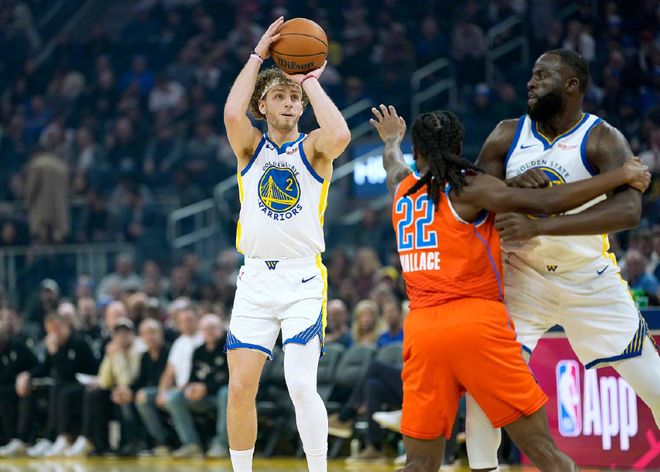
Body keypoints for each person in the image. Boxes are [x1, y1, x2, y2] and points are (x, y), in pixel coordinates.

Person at [369, 103, 649, 472]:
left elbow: (392, 163)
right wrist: (618, 176)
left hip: (422, 331)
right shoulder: (470, 189)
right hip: (476, 323)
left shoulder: (401, 187)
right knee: (544, 452)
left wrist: (391, 140)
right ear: (459, 146)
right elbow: (547, 201)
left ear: (417, 152)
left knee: (419, 464)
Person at [468, 48, 660, 470]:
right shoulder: (506, 135)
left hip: (590, 280)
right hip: (522, 280)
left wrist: (539, 226)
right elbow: (472, 201)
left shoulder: (602, 137)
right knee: (485, 392)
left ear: (571, 86)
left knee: (657, 388)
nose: (531, 83)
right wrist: (511, 186)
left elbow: (628, 212)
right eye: (532, 75)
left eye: (543, 76)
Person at [222, 16, 350, 472]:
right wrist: (258, 56)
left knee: (299, 384)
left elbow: (341, 135)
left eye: (295, 98)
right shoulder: (250, 147)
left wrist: (309, 80)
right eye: (281, 95)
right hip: (255, 278)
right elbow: (231, 114)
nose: (290, 102)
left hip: (302, 278)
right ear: (263, 104)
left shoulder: (313, 147)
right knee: (240, 388)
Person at [164, 313, 229, 459]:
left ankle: (221, 444)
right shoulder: (198, 351)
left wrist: (206, 388)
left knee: (226, 392)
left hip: (222, 398)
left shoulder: (229, 348)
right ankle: (191, 444)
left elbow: (231, 378)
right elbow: (192, 378)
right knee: (174, 397)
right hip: (203, 399)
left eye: (213, 328)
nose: (209, 332)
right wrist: (190, 389)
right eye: (206, 329)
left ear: (221, 329)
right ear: (201, 332)